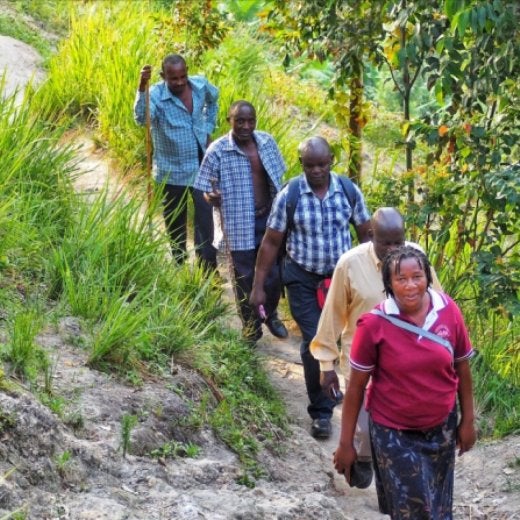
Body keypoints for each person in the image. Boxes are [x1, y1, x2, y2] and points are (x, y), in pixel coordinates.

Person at [333, 245, 476, 518]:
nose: (410, 285)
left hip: (441, 428)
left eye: (417, 276)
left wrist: (467, 420)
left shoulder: (449, 311)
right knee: (415, 510)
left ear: (428, 278)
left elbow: (463, 368)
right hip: (393, 432)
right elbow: (355, 388)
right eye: (401, 279)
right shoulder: (373, 324)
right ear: (388, 284)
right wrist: (346, 443)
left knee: (439, 507)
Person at [250, 136, 372, 439]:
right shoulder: (290, 195)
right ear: (301, 163)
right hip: (302, 278)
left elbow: (367, 237)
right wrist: (258, 286)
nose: (316, 170)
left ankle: (352, 399)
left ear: (331, 161)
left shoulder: (348, 191)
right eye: (310, 165)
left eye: (322, 164)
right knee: (315, 341)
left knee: (346, 340)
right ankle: (321, 412)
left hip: (343, 279)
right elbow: (271, 242)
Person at [310, 207, 442, 487]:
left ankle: (394, 488)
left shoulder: (415, 259)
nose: (394, 249)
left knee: (402, 433)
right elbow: (332, 315)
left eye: (399, 242)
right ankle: (364, 457)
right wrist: (326, 366)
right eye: (387, 243)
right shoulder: (350, 263)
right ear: (371, 236)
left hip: (408, 364)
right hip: (363, 366)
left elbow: (439, 305)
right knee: (367, 431)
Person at [194, 100, 288, 343]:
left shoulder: (266, 142)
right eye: (240, 121)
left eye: (250, 121)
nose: (246, 126)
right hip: (238, 224)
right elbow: (205, 189)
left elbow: (280, 179)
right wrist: (211, 197)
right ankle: (250, 326)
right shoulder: (217, 150)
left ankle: (270, 314)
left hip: (269, 221)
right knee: (244, 278)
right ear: (230, 121)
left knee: (273, 275)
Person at [134, 54, 218, 269]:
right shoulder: (156, 95)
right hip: (171, 170)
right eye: (174, 79)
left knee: (205, 217)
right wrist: (142, 87)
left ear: (187, 72)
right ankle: (179, 263)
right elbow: (142, 119)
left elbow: (214, 99)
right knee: (175, 220)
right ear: (163, 76)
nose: (180, 82)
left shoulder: (199, 85)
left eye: (183, 76)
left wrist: (208, 128)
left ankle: (207, 268)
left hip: (200, 163)